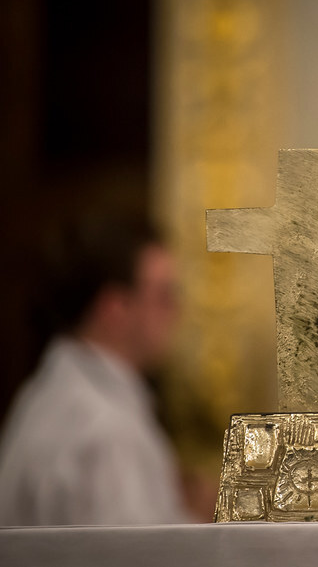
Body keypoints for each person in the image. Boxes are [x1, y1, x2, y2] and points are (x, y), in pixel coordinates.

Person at [0, 213, 191, 525]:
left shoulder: (51, 392)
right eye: (164, 295)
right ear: (116, 308)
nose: (177, 310)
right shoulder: (105, 431)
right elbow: (136, 557)